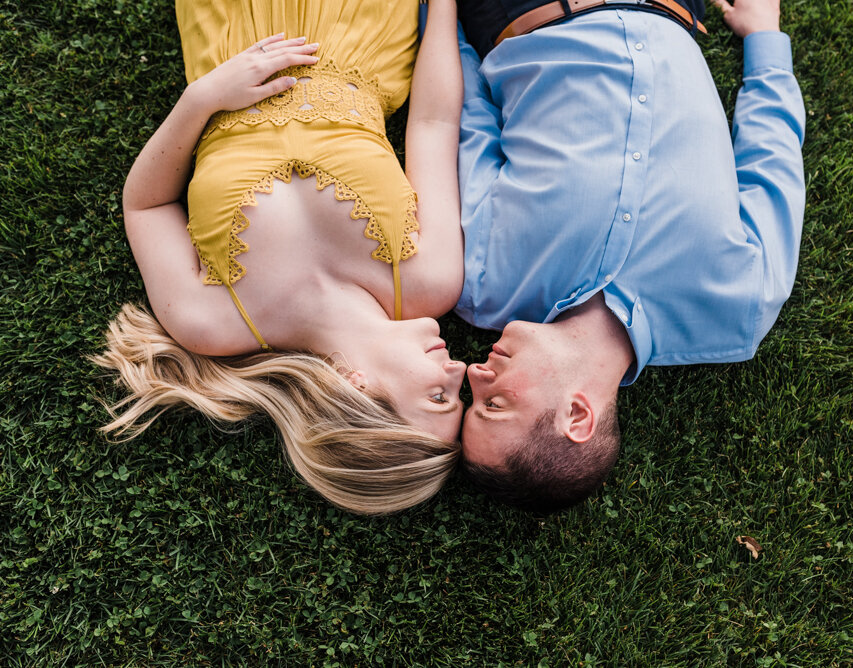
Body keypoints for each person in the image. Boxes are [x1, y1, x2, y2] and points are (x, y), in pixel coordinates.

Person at [92, 0, 466, 515]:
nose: (462, 370)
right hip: (366, 28)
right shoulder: (432, 281)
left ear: (359, 392)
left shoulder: (211, 323)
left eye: (440, 398)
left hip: (233, 34)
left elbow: (145, 205)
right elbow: (433, 124)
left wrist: (202, 100)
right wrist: (443, 8)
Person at [454, 0, 806, 512]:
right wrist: (764, 38)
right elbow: (772, 158)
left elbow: (472, 121)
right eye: (495, 404)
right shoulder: (739, 307)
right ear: (577, 416)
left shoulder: (484, 286)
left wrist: (441, 19)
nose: (473, 376)